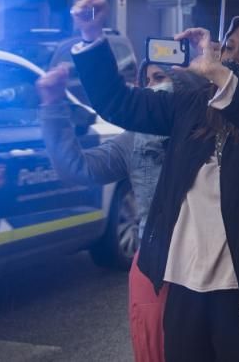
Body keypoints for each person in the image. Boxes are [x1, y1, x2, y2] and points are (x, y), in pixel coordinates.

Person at [65, 0, 239, 362]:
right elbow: (119, 104)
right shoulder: (190, 104)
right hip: (184, 288)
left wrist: (220, 74)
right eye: (229, 47)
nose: (233, 57)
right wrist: (92, 37)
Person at [37, 58, 175, 362]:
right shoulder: (133, 140)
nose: (156, 88)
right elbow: (77, 167)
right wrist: (52, 106)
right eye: (148, 81)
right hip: (154, 270)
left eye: (163, 78)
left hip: (207, 270)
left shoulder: (210, 132)